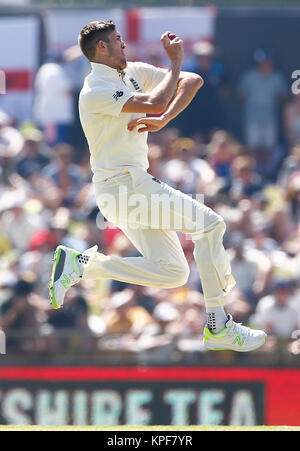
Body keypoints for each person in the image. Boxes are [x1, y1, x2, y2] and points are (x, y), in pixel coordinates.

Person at [49, 20, 266, 352]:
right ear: (102, 48)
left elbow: (191, 81)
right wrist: (175, 63)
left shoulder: (130, 71)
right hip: (123, 187)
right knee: (210, 225)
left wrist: (165, 118)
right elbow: (153, 102)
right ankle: (217, 324)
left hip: (129, 189)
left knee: (174, 272)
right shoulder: (95, 89)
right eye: (118, 41)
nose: (124, 45)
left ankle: (82, 266)